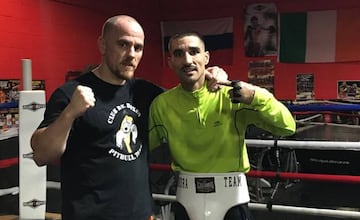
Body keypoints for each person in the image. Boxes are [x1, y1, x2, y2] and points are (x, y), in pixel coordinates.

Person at [30, 16, 227, 220]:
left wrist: (211, 75)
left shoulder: (146, 93)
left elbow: (186, 97)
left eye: (138, 47)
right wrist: (70, 113)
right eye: (123, 44)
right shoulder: (71, 93)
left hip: (140, 215)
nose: (131, 54)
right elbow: (41, 154)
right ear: (103, 45)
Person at [149, 32, 296, 220]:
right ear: (170, 62)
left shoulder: (231, 95)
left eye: (194, 52)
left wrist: (256, 96)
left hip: (232, 199)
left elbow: (287, 126)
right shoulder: (162, 105)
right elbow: (140, 147)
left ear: (206, 57)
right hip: (186, 198)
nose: (187, 60)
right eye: (179, 54)